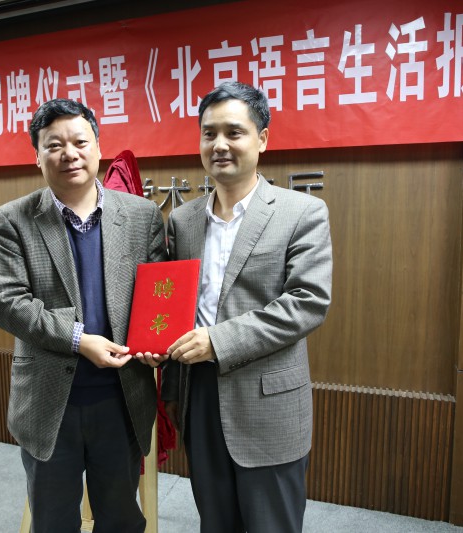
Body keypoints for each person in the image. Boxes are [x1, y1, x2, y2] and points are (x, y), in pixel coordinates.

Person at [152, 81, 333, 533]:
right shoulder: (183, 220)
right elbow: (177, 306)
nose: (220, 145)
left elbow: (307, 302)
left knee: (272, 525)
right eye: (209, 134)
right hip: (198, 394)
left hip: (267, 400)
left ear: (262, 139)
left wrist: (217, 341)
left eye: (234, 132)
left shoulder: (301, 212)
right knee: (215, 521)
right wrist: (172, 388)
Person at [0, 98, 167, 533]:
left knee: (120, 519)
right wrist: (77, 339)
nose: (69, 153)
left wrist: (158, 343)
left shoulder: (141, 216)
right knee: (52, 521)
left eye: (80, 142)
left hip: (121, 399)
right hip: (49, 402)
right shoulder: (13, 220)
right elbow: (5, 301)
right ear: (37, 155)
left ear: (98, 147)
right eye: (54, 145)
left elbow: (158, 298)